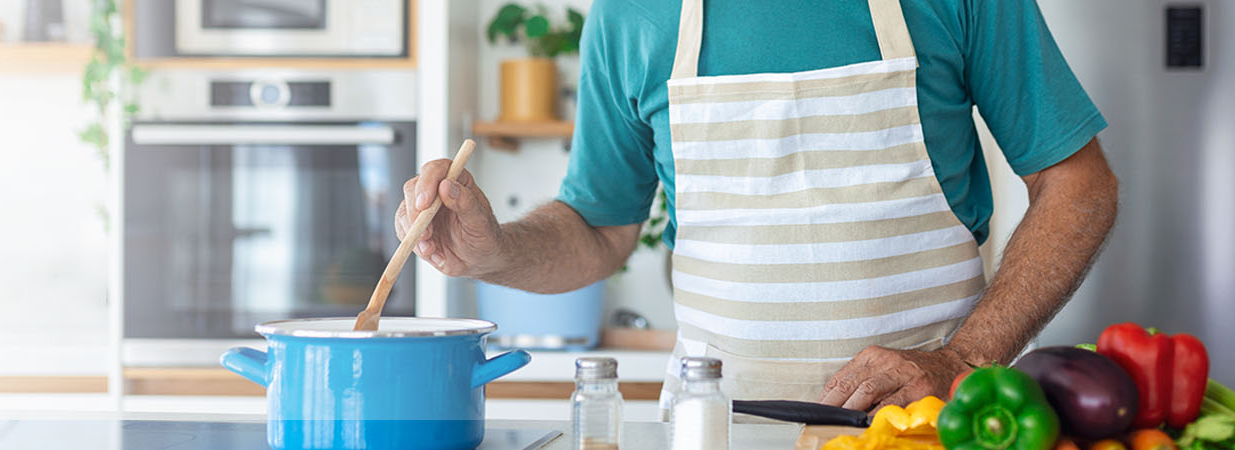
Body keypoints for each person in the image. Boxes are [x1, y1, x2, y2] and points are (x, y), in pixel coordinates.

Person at [396, 0, 1117, 413]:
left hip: (924, 424)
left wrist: (961, 358)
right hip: (718, 429)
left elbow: (1078, 183)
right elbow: (597, 227)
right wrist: (495, 252)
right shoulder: (632, 15)